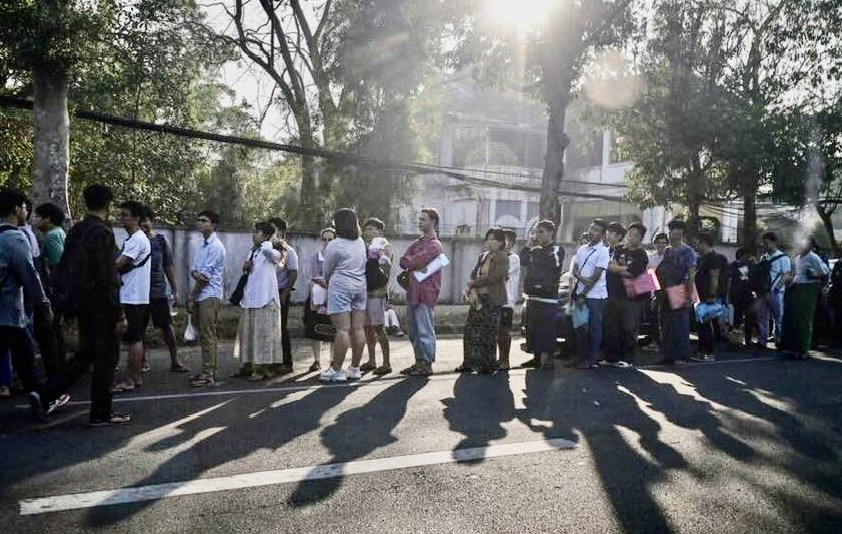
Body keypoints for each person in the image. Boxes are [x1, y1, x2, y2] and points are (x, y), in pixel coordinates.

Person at [34, 184, 128, 426]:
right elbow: (109, 277)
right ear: (108, 204)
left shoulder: (76, 230)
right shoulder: (103, 233)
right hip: (102, 306)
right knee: (106, 359)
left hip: (81, 304)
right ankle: (101, 414)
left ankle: (45, 393)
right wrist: (118, 313)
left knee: (85, 354)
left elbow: (65, 268)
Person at [0, 189, 62, 417]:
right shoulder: (14, 237)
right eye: (25, 208)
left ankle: (39, 397)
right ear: (17, 209)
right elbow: (29, 275)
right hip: (8, 312)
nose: (27, 211)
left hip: (11, 315)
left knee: (26, 359)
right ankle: (40, 397)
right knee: (25, 357)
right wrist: (44, 304)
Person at [319, 208, 368, 382]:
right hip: (360, 287)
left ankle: (337, 369)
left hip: (340, 287)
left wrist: (328, 282)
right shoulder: (361, 242)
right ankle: (355, 368)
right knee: (358, 329)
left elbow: (327, 269)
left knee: (342, 329)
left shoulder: (335, 244)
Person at [233, 222, 284, 380]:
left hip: (265, 299)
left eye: (257, 232)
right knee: (248, 335)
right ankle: (247, 366)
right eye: (253, 231)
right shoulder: (252, 251)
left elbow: (275, 257)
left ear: (266, 235)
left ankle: (262, 370)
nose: (253, 234)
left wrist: (268, 243)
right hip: (250, 298)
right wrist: (246, 265)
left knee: (263, 336)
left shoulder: (271, 250)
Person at [140, 208, 187, 373]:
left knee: (166, 326)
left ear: (152, 221)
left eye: (146, 220)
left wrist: (175, 289)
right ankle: (141, 361)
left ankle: (175, 360)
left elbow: (168, 266)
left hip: (158, 290)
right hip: (139, 292)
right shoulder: (134, 241)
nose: (143, 224)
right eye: (140, 221)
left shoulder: (160, 240)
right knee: (139, 328)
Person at [399, 208, 444, 376]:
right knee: (413, 331)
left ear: (433, 222)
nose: (420, 222)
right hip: (413, 290)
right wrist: (413, 263)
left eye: (423, 219)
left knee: (425, 329)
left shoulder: (434, 245)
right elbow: (404, 261)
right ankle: (418, 361)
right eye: (419, 219)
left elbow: (416, 260)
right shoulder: (417, 243)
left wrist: (413, 262)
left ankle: (427, 364)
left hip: (426, 293)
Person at [112, 201, 152, 392]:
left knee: (134, 339)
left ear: (136, 218)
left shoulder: (137, 239)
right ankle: (134, 378)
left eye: (125, 215)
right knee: (135, 338)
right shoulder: (135, 238)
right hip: (135, 295)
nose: (121, 218)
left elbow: (119, 263)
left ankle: (129, 380)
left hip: (132, 296)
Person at [458, 228, 509, 373]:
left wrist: (473, 284)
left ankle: (487, 364)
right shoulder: (483, 256)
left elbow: (493, 277)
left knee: (489, 333)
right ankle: (469, 362)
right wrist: (472, 287)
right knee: (470, 330)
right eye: (489, 238)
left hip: (492, 299)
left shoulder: (503, 258)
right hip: (478, 298)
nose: (490, 242)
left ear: (500, 242)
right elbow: (474, 274)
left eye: (494, 239)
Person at [187, 210, 226, 388]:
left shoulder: (216, 246)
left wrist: (192, 296)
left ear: (214, 224)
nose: (199, 223)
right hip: (203, 294)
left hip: (210, 295)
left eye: (204, 221)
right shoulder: (203, 245)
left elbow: (204, 277)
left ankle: (209, 374)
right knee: (204, 335)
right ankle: (206, 370)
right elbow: (194, 270)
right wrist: (197, 277)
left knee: (208, 335)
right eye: (199, 220)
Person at [604, 221, 649, 368]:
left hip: (631, 299)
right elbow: (610, 266)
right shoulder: (619, 249)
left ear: (641, 239)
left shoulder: (642, 255)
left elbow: (631, 272)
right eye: (630, 234)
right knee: (611, 328)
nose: (631, 237)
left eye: (636, 235)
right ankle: (611, 358)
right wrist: (621, 269)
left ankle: (627, 359)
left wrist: (618, 269)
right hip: (612, 294)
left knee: (629, 329)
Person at [520, 220, 565, 369]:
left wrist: (537, 252)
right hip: (532, 295)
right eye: (536, 232)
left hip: (547, 297)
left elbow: (550, 263)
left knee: (546, 330)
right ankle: (536, 357)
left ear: (551, 233)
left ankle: (547, 361)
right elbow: (523, 260)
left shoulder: (557, 249)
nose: (538, 235)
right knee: (532, 329)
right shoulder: (534, 250)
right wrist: (528, 245)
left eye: (541, 232)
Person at [655, 219, 697, 365]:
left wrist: (688, 295)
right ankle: (668, 355)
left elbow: (691, 275)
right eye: (672, 229)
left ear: (682, 233)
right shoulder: (667, 250)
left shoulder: (688, 251)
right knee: (665, 324)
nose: (674, 232)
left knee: (680, 325)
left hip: (680, 289)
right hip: (665, 291)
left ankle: (682, 356)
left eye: (678, 230)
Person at [32, 201, 67, 377]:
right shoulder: (58, 232)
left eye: (38, 216)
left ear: (48, 219)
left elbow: (57, 264)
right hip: (62, 288)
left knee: (51, 327)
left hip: (56, 288)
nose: (35, 220)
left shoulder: (52, 236)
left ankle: (57, 369)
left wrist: (51, 289)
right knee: (57, 328)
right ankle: (61, 364)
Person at [781, 237, 830, 359]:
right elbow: (796, 274)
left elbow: (825, 271)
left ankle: (803, 350)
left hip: (808, 289)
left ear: (810, 246)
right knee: (794, 319)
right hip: (796, 288)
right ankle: (793, 348)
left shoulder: (813, 257)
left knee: (803, 319)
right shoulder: (798, 258)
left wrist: (815, 275)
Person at [571, 219, 610, 370]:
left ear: (602, 234)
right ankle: (579, 357)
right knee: (579, 326)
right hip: (580, 292)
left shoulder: (603, 251)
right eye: (592, 228)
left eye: (596, 230)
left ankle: (592, 359)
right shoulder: (582, 249)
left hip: (595, 296)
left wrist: (584, 292)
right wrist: (582, 280)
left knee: (594, 328)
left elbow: (595, 278)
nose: (592, 232)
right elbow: (575, 269)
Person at [361, 218, 394, 376]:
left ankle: (386, 363)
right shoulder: (365, 246)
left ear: (380, 231)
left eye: (371, 229)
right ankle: (372, 360)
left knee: (379, 328)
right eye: (366, 229)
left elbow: (384, 268)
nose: (367, 232)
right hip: (365, 292)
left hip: (378, 293)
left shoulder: (385, 246)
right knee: (367, 328)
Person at [692, 232, 728, 362]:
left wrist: (712, 295)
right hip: (700, 297)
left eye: (697, 243)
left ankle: (708, 353)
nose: (696, 246)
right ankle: (702, 352)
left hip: (709, 297)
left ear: (703, 242)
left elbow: (715, 278)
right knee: (701, 325)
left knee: (706, 325)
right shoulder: (701, 258)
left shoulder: (714, 258)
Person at [304, 228, 336, 371]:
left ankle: (333, 360)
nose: (327, 242)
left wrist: (328, 282)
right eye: (325, 239)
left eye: (331, 239)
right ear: (321, 240)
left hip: (334, 299)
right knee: (315, 331)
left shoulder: (338, 258)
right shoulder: (314, 258)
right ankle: (316, 360)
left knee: (333, 331)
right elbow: (311, 277)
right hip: (316, 299)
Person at [269, 217, 298, 374]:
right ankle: (272, 361)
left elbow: (294, 273)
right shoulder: (266, 250)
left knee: (282, 328)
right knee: (269, 328)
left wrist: (285, 293)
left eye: (272, 229)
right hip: (266, 293)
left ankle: (287, 363)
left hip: (281, 293)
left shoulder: (288, 251)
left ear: (281, 232)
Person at [756, 232, 792, 348]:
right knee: (762, 317)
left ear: (774, 242)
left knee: (778, 317)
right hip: (763, 291)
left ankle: (779, 340)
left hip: (776, 292)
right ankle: (762, 341)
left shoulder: (783, 257)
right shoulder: (763, 257)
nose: (764, 245)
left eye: (766, 243)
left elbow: (786, 274)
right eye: (763, 243)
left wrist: (777, 288)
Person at [498, 229, 521, 370]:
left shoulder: (513, 258)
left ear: (511, 243)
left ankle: (505, 360)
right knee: (496, 331)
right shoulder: (496, 256)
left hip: (507, 300)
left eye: (506, 241)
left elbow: (501, 274)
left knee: (504, 330)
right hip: (495, 299)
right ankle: (499, 358)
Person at [728, 247, 756, 347]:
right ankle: (739, 340)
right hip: (741, 295)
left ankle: (739, 340)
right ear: (743, 255)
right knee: (738, 319)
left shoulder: (733, 266)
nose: (749, 257)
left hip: (742, 295)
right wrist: (746, 270)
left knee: (741, 319)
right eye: (747, 255)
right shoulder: (744, 265)